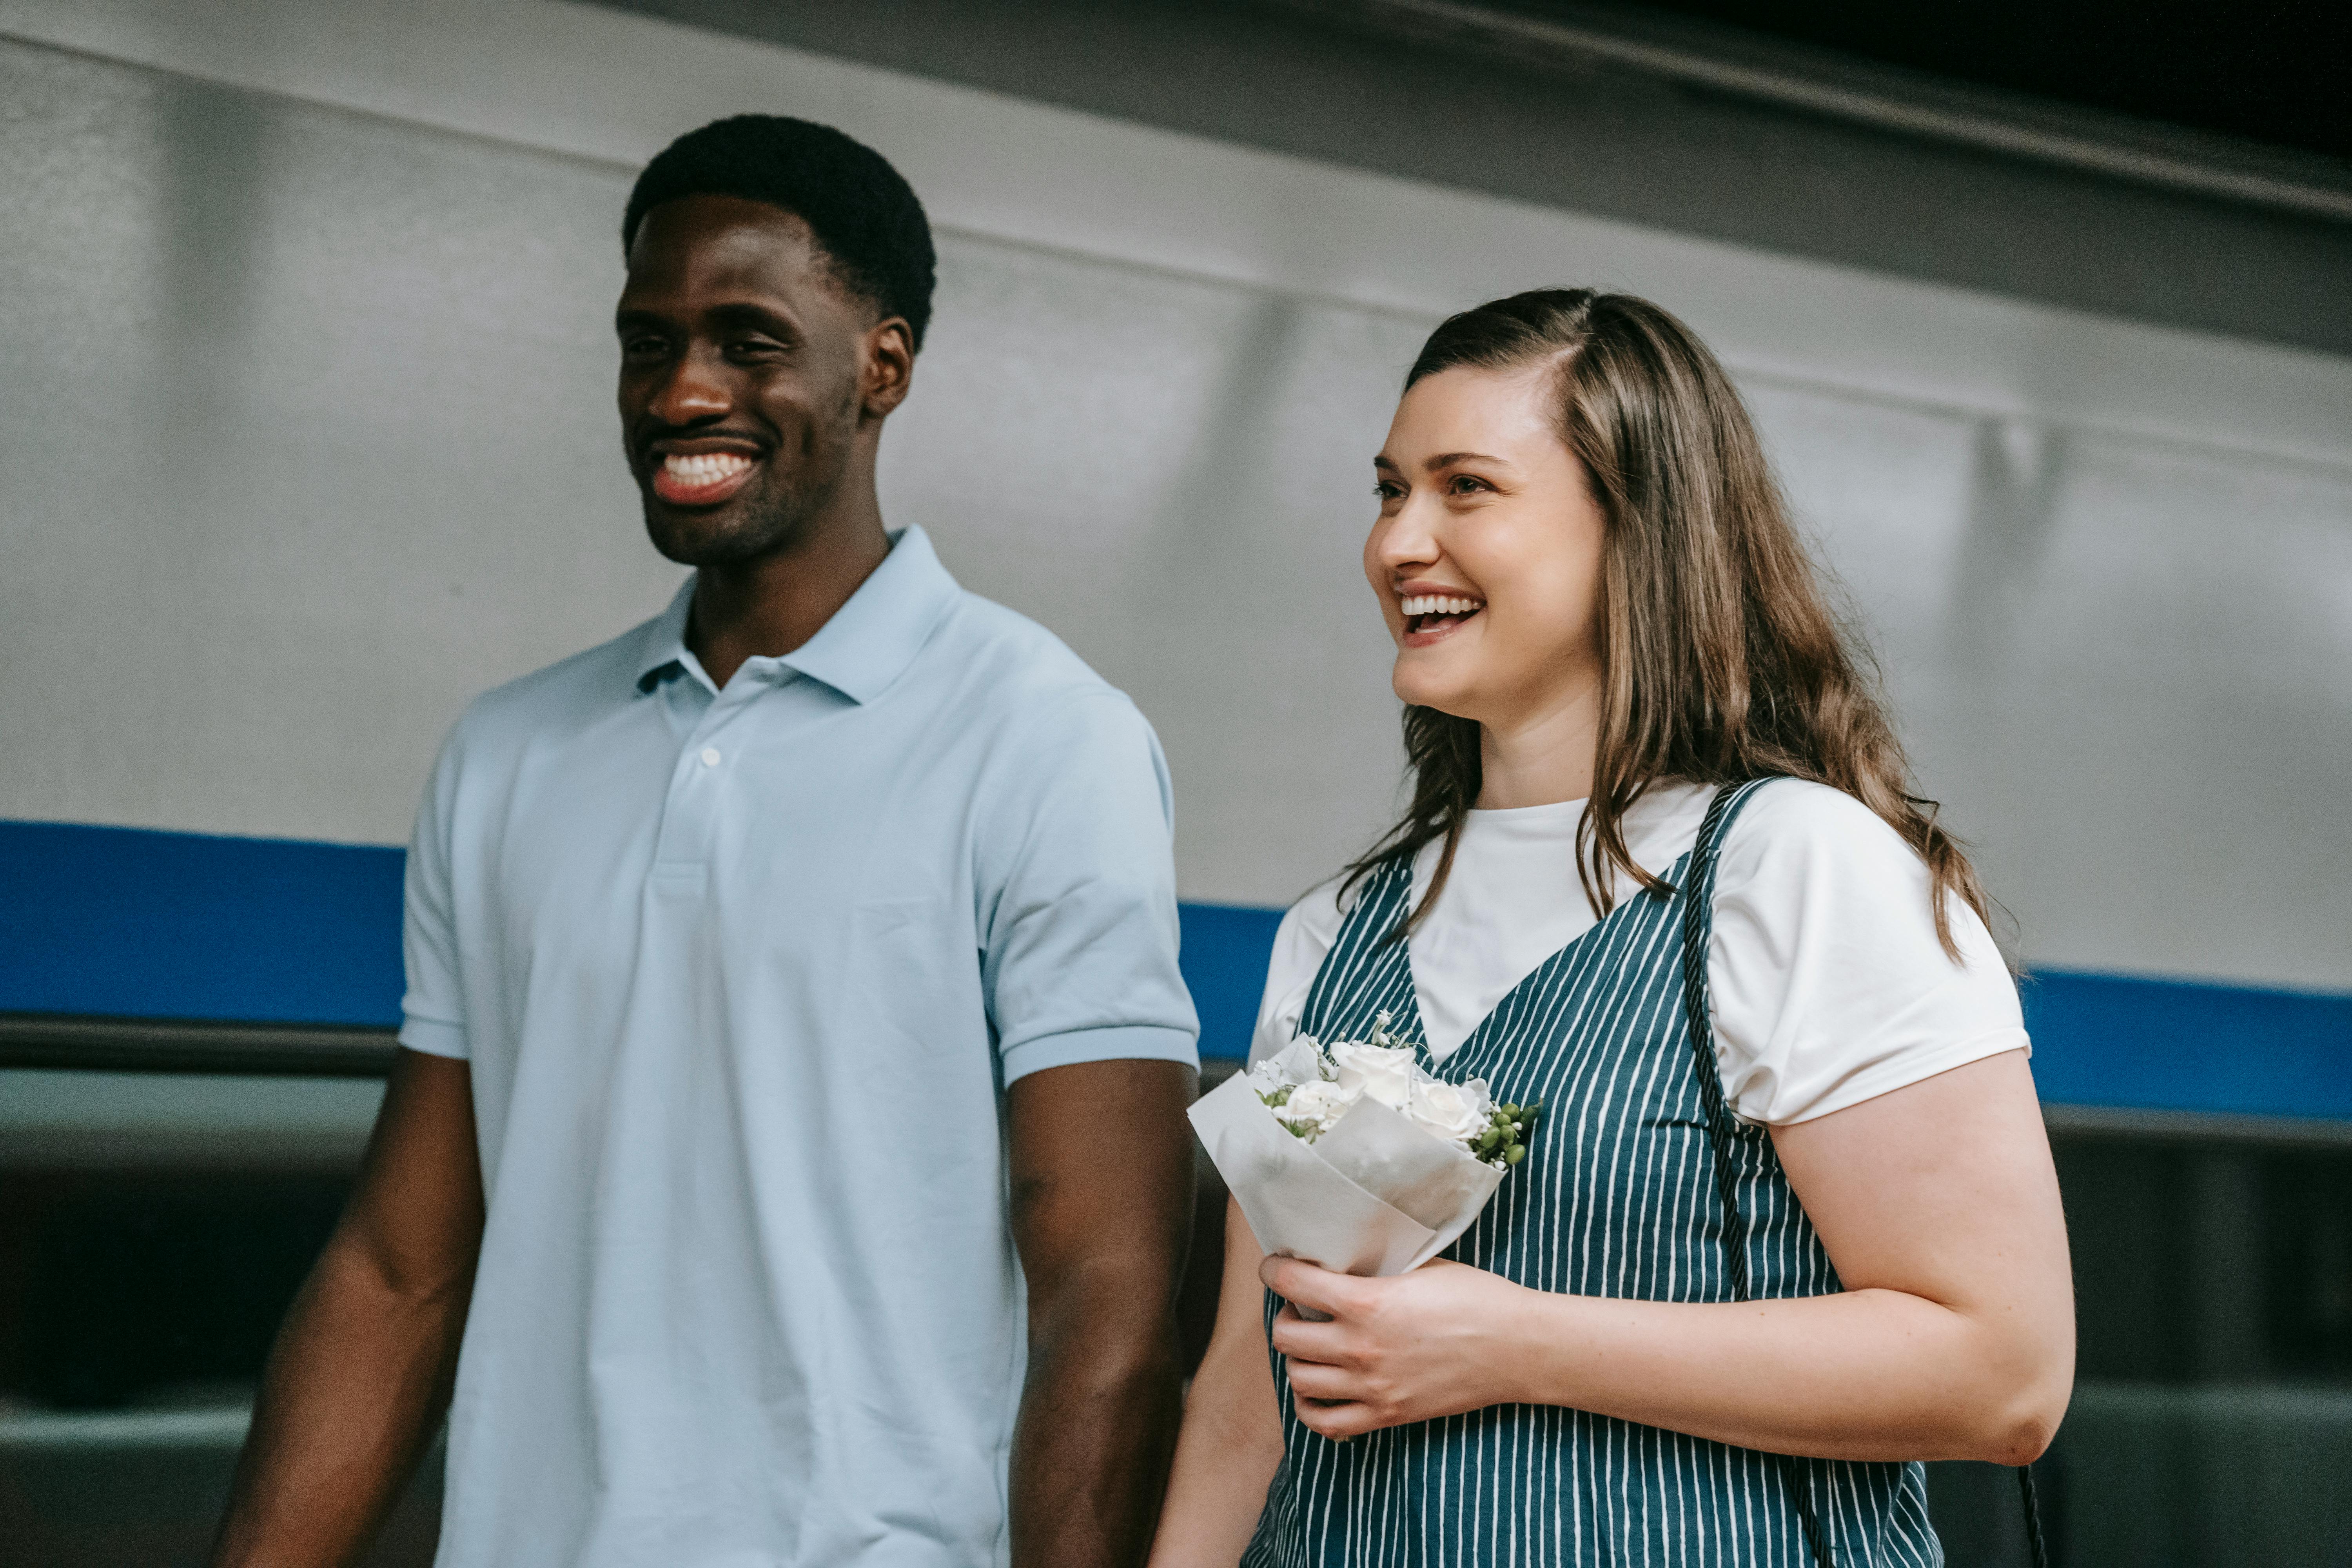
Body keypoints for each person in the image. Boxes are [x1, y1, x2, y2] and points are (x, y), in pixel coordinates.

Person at [209, 116, 1201, 1568]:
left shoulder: (1046, 737)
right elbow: (398, 1270)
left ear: (884, 366)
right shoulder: (508, 753)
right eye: (646, 343)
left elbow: (1107, 1293)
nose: (682, 392)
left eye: (747, 341)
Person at [1151, 289, 2073, 1566]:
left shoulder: (1795, 871)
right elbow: (1247, 1406)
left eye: (1466, 488)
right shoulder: (1336, 934)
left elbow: (2003, 1372)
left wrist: (1512, 1342)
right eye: (1387, 491)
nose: (1400, 542)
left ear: (1637, 529)